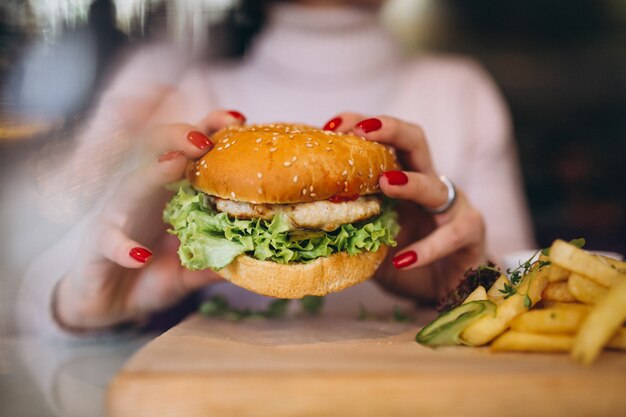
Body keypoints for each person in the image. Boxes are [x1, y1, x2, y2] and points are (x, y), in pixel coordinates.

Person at [17, 1, 534, 337]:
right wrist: (87, 302)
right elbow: (26, 306)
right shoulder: (168, 87)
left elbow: (530, 298)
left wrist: (472, 283)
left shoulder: (462, 89)